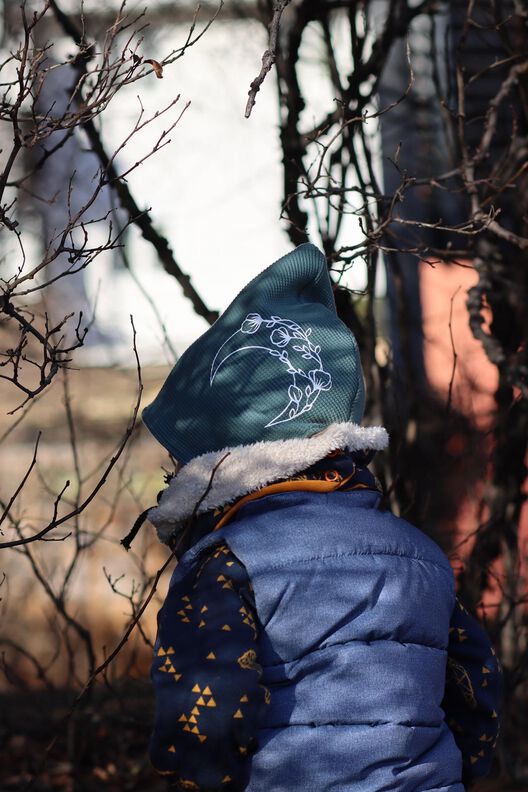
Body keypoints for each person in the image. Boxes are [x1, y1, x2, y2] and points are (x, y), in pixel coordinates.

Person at [142, 244, 501, 791]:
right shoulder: (421, 554)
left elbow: (204, 724)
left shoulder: (228, 562)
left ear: (213, 465)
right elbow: (476, 694)